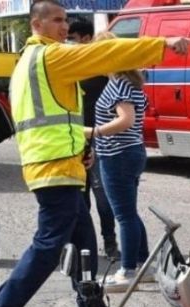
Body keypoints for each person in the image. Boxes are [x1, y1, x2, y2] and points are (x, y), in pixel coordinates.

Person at [0, 0, 190, 307]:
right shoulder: (51, 56)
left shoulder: (30, 60)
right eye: (56, 20)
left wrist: (80, 148)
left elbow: (57, 118)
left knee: (85, 241)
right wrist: (162, 44)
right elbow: (103, 54)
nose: (64, 26)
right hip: (54, 165)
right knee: (48, 246)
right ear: (37, 24)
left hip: (59, 162)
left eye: (65, 20)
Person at [87, 31, 153, 293]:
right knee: (129, 213)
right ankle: (143, 265)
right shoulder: (127, 82)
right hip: (127, 153)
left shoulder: (120, 84)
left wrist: (93, 132)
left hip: (119, 155)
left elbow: (126, 119)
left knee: (124, 215)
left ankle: (128, 270)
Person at [68, 19, 119, 260]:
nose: (69, 43)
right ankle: (82, 244)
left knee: (103, 197)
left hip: (99, 138)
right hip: (75, 138)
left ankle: (110, 242)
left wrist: (102, 138)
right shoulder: (70, 68)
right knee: (79, 197)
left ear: (86, 39)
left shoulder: (103, 70)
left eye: (73, 39)